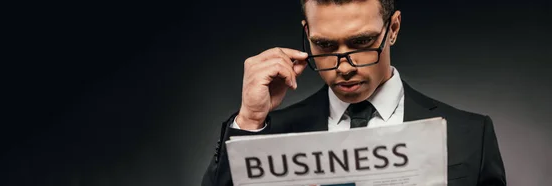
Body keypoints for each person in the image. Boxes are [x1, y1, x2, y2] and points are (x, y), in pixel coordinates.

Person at [202, 0, 506, 185]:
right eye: (325, 46)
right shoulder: (268, 135)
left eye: (361, 43)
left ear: (394, 28)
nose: (344, 67)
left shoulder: (470, 134)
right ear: (307, 35)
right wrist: (251, 120)